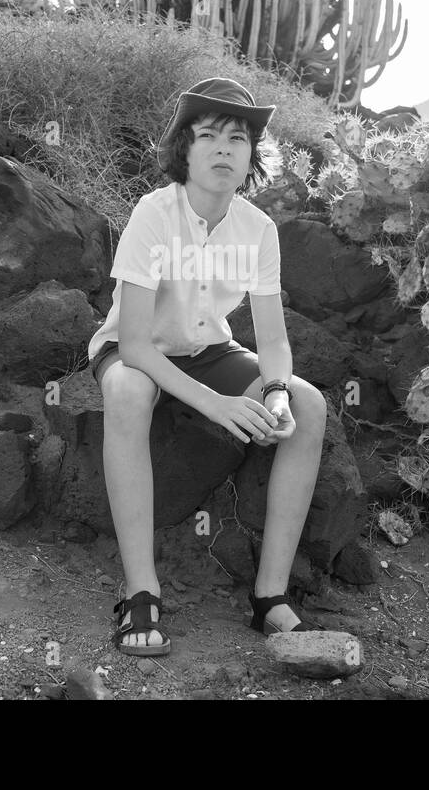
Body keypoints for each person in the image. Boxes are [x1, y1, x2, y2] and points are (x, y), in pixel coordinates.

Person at [86, 76, 328, 657]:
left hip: (210, 350)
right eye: (209, 135)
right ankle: (140, 590)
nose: (225, 148)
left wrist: (273, 391)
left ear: (251, 157)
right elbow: (140, 344)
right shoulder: (153, 213)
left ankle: (269, 598)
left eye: (239, 139)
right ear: (185, 150)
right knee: (127, 392)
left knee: (309, 404)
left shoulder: (259, 229)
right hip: (134, 349)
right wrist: (215, 404)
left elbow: (272, 339)